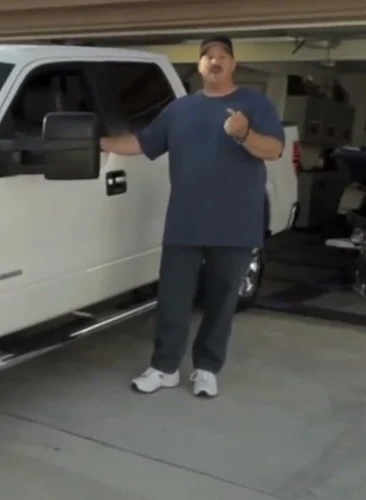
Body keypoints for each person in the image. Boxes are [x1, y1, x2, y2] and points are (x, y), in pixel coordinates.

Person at [100, 35, 285, 397]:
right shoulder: (179, 110)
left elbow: (274, 149)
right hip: (185, 221)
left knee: (220, 301)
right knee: (173, 299)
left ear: (233, 64)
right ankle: (164, 367)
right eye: (208, 56)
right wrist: (98, 142)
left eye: (222, 56)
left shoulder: (254, 104)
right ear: (199, 65)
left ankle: (207, 368)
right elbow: (142, 142)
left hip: (235, 224)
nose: (215, 61)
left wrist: (244, 134)